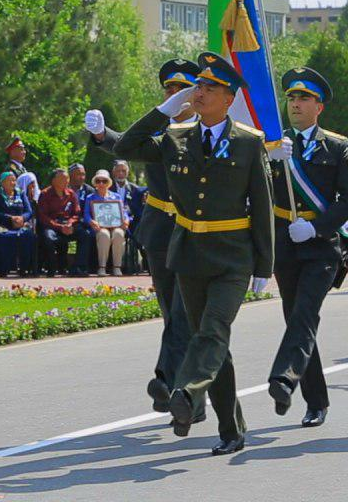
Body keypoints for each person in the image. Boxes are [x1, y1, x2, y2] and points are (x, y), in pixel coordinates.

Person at [97, 51, 273, 456]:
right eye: (199, 86)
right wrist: (164, 110)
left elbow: (261, 205)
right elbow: (127, 145)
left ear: (229, 99)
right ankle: (231, 428)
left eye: (210, 87)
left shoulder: (248, 143)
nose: (200, 92)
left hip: (232, 257)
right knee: (212, 343)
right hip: (189, 254)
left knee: (212, 331)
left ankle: (188, 394)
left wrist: (265, 263)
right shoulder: (177, 139)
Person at [88, 57, 198, 416]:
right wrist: (103, 136)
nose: (174, 95)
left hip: (197, 233)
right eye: (168, 90)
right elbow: (126, 145)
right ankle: (191, 397)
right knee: (172, 313)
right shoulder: (159, 137)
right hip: (161, 231)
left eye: (181, 89)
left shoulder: (210, 134)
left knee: (185, 314)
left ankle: (167, 381)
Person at [259, 67, 348, 427]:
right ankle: (315, 400)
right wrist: (266, 161)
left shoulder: (336, 145)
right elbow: (255, 195)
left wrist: (317, 227)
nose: (296, 104)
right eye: (291, 98)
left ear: (319, 107)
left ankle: (283, 379)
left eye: (304, 98)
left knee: (304, 314)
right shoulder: (271, 145)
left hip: (320, 248)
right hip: (285, 244)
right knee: (296, 320)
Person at [37, 168, 84, 276]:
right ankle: (52, 268)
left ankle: (79, 268)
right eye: (63, 178)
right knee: (48, 238)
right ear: (54, 181)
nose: (66, 181)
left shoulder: (71, 194)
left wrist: (70, 223)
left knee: (84, 235)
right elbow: (43, 217)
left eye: (67, 178)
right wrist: (59, 227)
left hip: (68, 224)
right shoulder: (45, 194)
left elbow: (77, 213)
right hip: (52, 225)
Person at [0, 171, 35, 277]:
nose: (13, 183)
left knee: (28, 235)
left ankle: (24, 268)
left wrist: (22, 218)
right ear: (2, 183)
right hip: (3, 224)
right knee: (1, 236)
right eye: (10, 180)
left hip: (20, 224)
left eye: (14, 180)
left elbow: (29, 211)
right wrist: (10, 219)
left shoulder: (21, 194)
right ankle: (4, 268)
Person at [83, 170, 128, 276]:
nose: (101, 184)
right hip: (100, 227)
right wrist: (91, 221)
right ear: (95, 183)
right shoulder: (90, 198)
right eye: (98, 181)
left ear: (108, 183)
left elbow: (123, 212)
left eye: (104, 181)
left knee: (119, 234)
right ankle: (102, 267)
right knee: (104, 235)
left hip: (116, 225)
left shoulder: (116, 197)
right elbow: (86, 215)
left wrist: (126, 220)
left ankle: (117, 267)